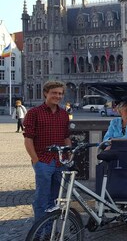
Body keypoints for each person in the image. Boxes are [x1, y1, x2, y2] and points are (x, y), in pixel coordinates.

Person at [23, 81, 72, 222]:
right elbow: (28, 139)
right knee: (41, 199)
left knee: (55, 199)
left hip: (59, 161)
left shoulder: (63, 114)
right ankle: (40, 233)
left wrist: (68, 155)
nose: (58, 96)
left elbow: (66, 136)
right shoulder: (34, 113)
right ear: (46, 93)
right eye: (54, 93)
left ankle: (50, 232)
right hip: (43, 160)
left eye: (60, 93)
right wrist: (36, 161)